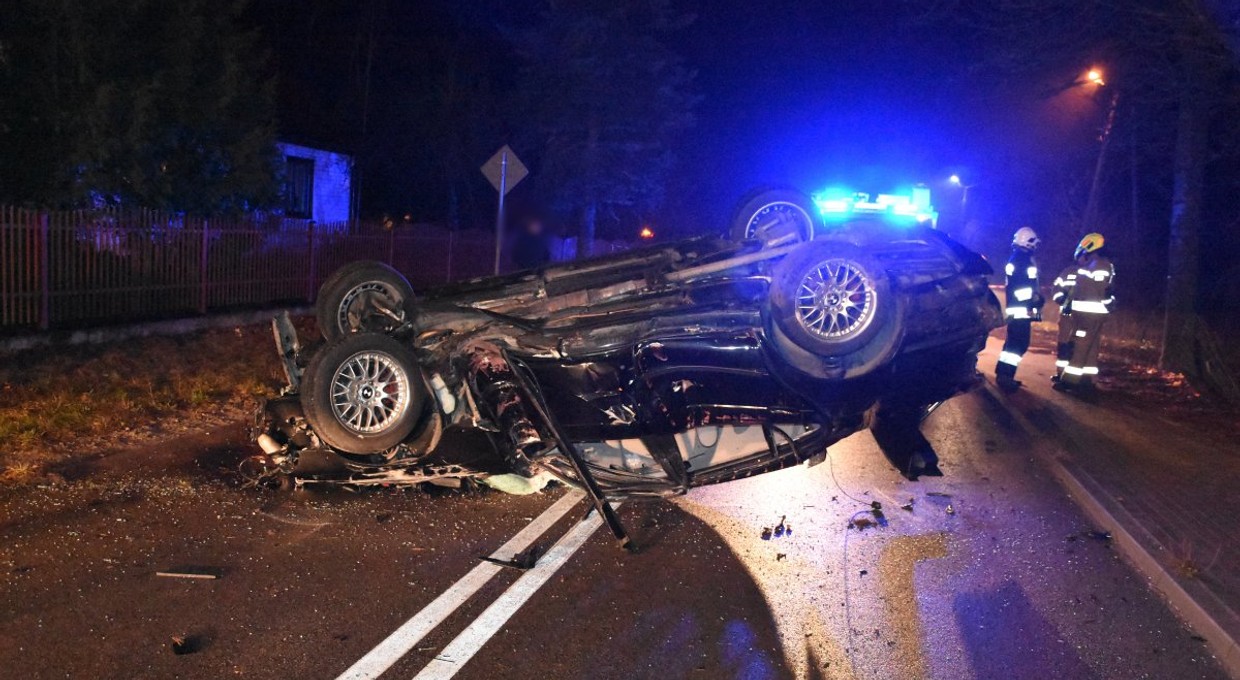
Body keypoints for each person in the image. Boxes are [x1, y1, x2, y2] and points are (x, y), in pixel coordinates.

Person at [1053, 233, 1115, 392]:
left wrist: (1107, 302)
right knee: (1090, 347)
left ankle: (1069, 381)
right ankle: (1087, 380)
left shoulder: (1099, 266)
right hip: (1088, 315)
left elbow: (1102, 290)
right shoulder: (1096, 265)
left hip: (1088, 316)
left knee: (1079, 348)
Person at [995, 227, 1043, 390]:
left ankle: (1004, 374)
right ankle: (1005, 377)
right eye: (1034, 242)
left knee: (1013, 344)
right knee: (1018, 344)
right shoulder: (1021, 260)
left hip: (1019, 309)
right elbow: (1020, 288)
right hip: (1020, 309)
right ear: (1028, 242)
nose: (1035, 246)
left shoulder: (1019, 258)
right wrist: (1034, 301)